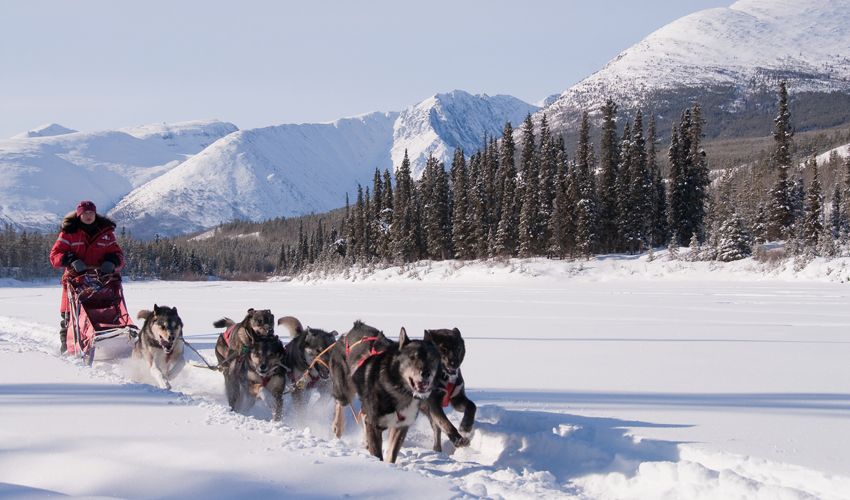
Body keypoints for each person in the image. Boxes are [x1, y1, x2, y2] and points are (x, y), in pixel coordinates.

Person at [49, 200, 124, 354]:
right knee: (70, 317)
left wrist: (112, 262)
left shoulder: (106, 234)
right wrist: (71, 259)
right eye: (85, 213)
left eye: (91, 213)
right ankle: (68, 350)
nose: (88, 216)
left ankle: (110, 347)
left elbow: (119, 256)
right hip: (75, 281)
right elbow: (55, 256)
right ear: (79, 214)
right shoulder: (69, 233)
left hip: (102, 282)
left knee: (105, 314)